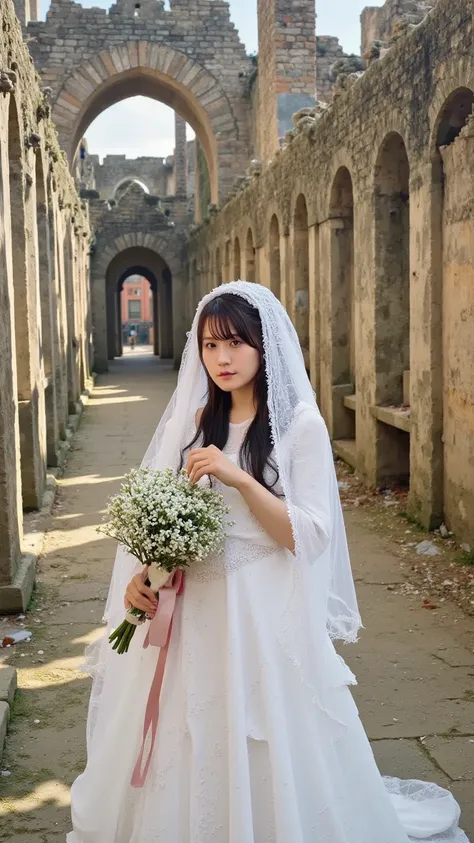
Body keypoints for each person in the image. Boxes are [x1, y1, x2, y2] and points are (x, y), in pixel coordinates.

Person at [68, 281, 468, 843]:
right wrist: (146, 575)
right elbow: (172, 520)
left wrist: (239, 478)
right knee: (193, 726)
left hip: (260, 609)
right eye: (209, 346)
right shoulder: (197, 421)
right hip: (194, 610)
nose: (222, 359)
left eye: (234, 343)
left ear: (263, 345)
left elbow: (308, 535)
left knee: (262, 729)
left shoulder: (298, 425)